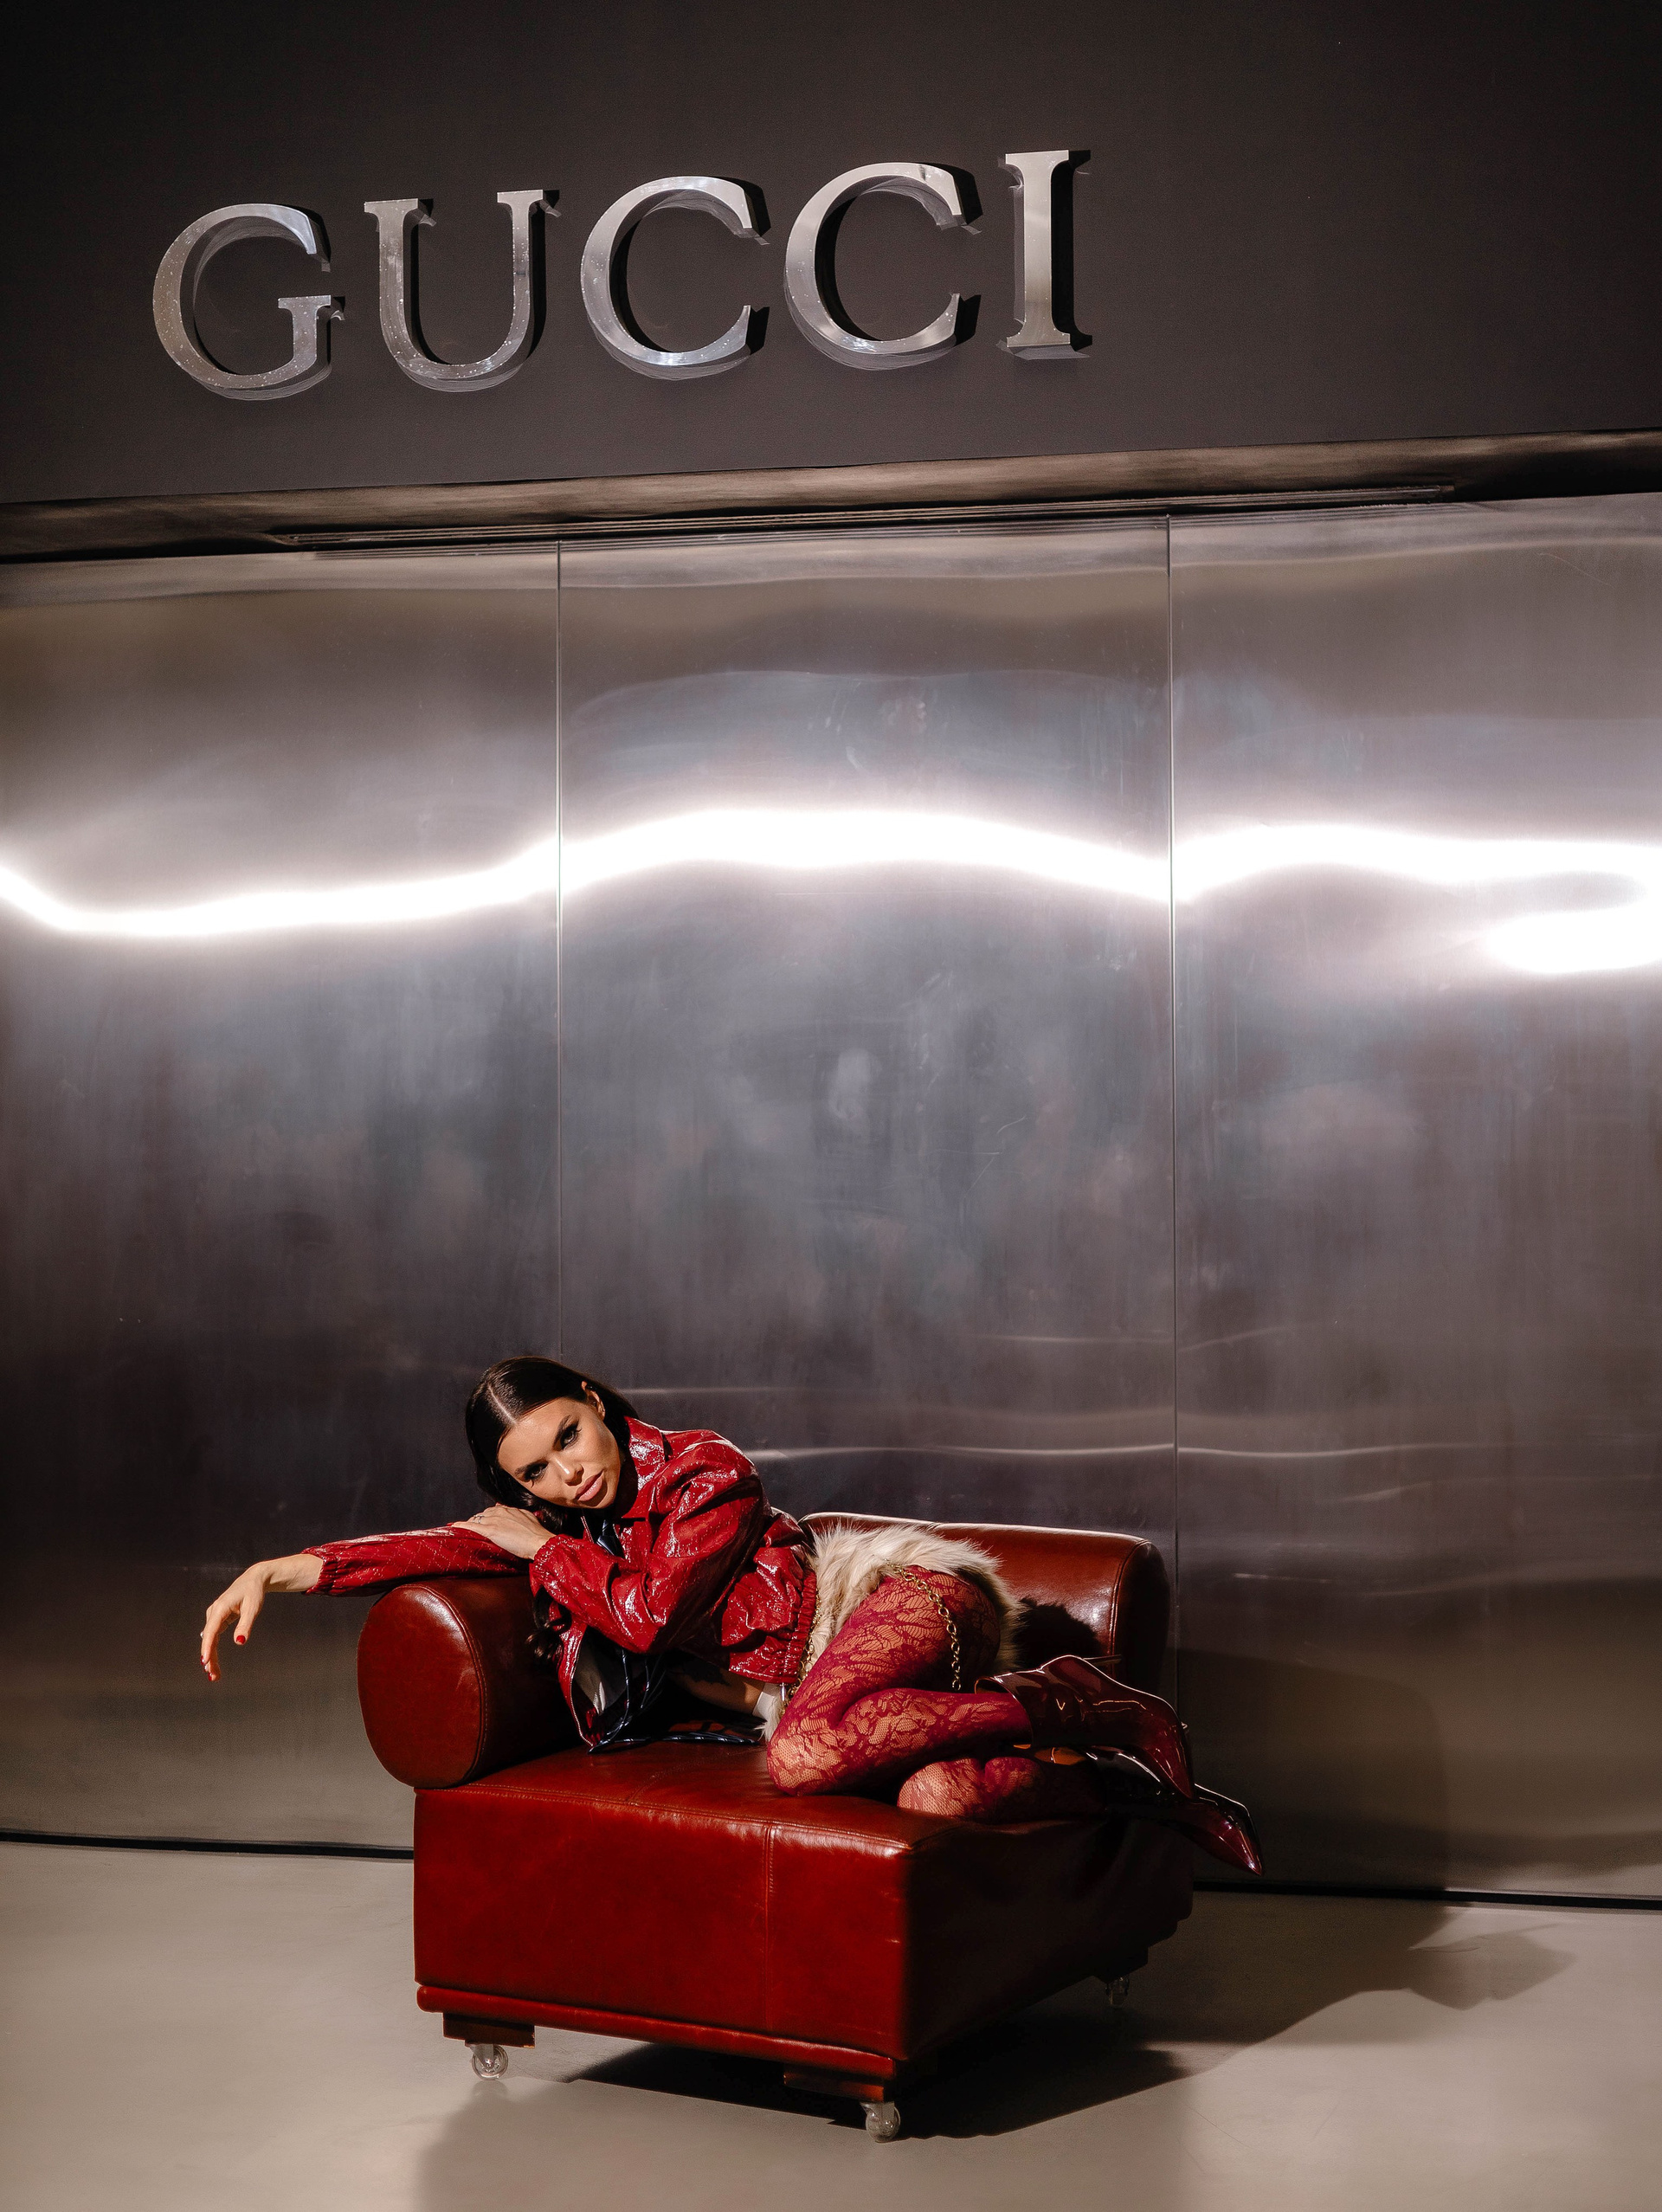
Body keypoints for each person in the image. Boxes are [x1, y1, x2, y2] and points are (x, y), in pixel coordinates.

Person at [200, 1354, 1259, 1868]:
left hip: (897, 1600)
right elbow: (446, 1543)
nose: (568, 1473)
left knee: (797, 1756)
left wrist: (544, 1550)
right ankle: (1129, 1789)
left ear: (596, 1402)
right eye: (537, 1473)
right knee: (941, 1794)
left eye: (568, 1435)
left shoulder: (705, 1469)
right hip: (841, 1694)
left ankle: (1081, 1699)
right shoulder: (567, 1527)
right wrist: (284, 1568)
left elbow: (651, 1616)